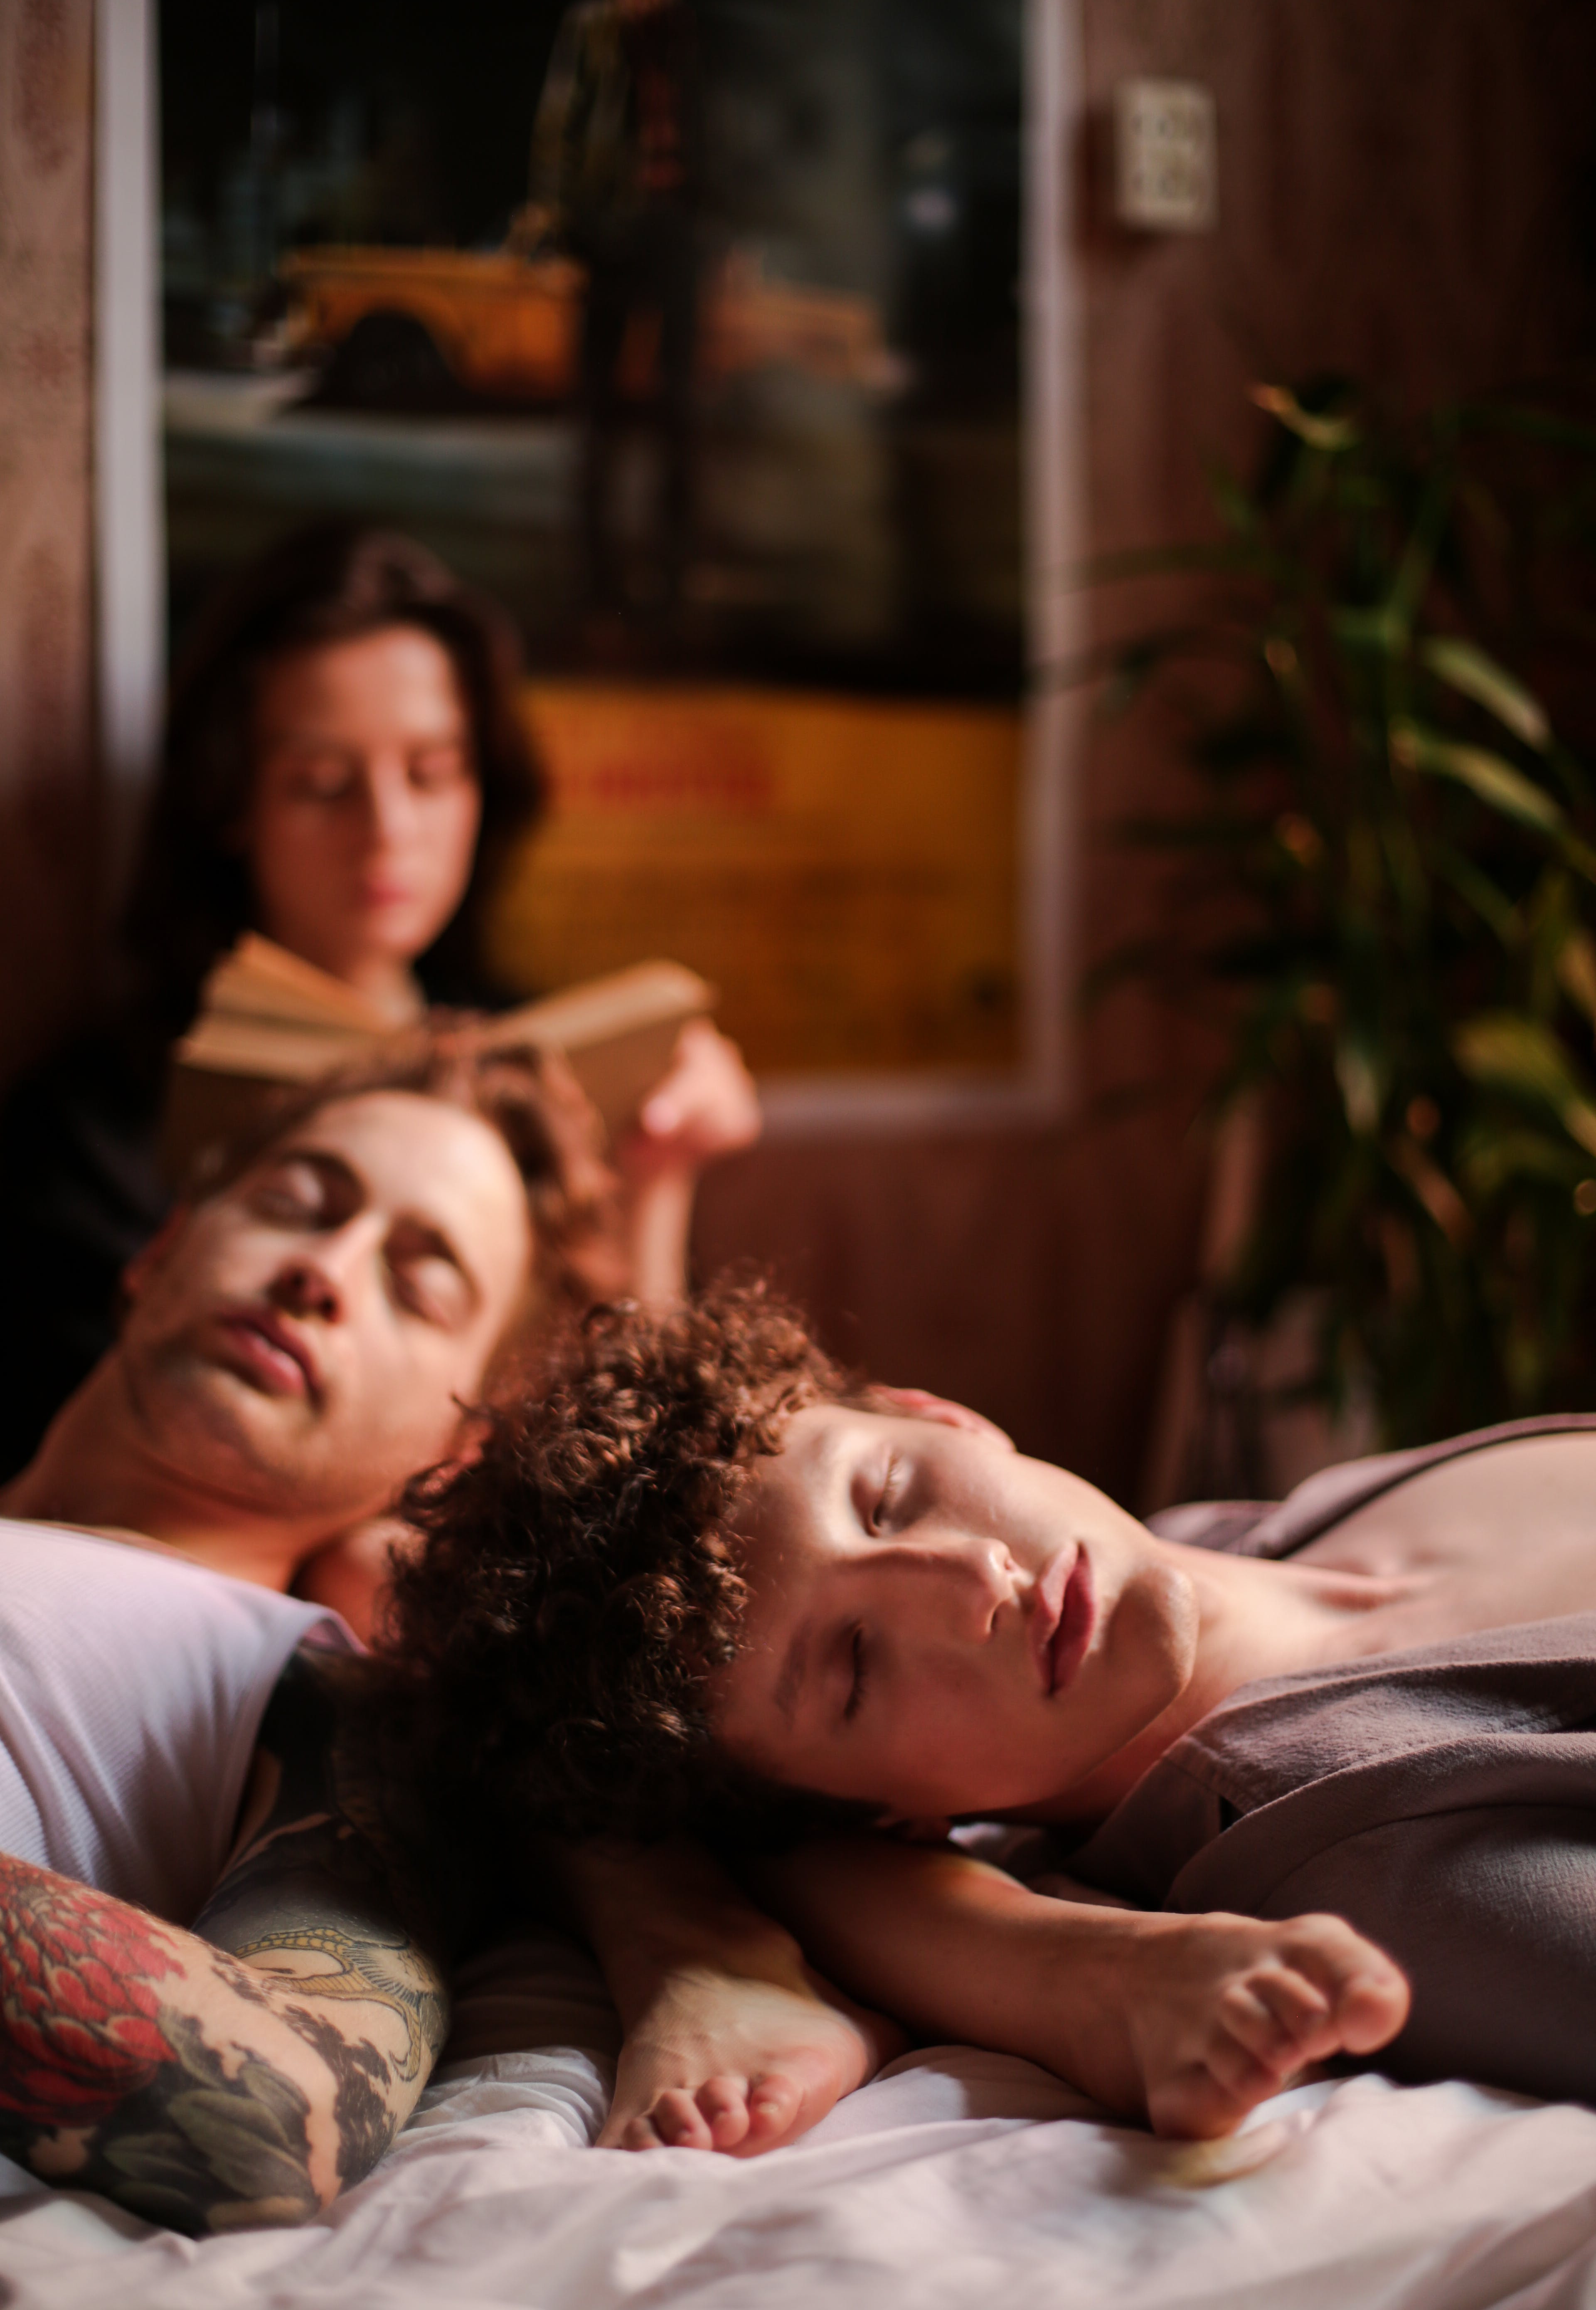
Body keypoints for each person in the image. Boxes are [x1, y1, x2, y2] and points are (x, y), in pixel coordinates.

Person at [0, 1048, 896, 2227]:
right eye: (298, 1203)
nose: (322, 1271)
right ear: (161, 1249)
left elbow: (279, 2107)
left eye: (418, 1286)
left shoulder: (319, 1687)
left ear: (450, 1453)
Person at [381, 1278, 1596, 2116]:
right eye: (855, 1666)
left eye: (889, 1495)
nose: (970, 1581)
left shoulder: (1276, 1519)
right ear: (888, 1820)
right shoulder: (1371, 1866)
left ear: (936, 1413)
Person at [0, 521, 759, 1478]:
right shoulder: (92, 1131)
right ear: (232, 797)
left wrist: (659, 1177)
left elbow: (656, 1477)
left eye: (433, 774)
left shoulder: (548, 1064)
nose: (388, 831)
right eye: (323, 784)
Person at [523, 0, 702, 622]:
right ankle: (595, 581)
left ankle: (674, 579)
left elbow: (720, 129)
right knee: (597, 418)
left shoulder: (692, 31)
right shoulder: (591, 26)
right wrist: (557, 225)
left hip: (680, 235)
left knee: (682, 417)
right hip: (607, 235)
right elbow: (557, 128)